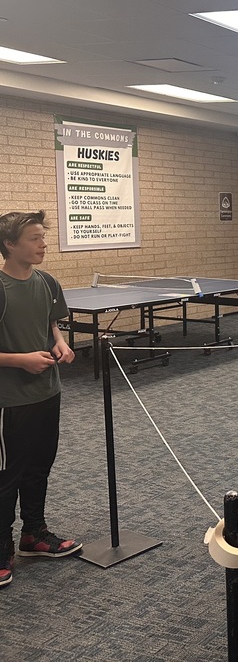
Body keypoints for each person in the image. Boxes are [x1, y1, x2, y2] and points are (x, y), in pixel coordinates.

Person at [0, 210, 80, 590]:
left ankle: (34, 535)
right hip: (8, 401)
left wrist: (60, 343)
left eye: (43, 237)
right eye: (34, 238)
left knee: (38, 467)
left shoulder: (48, 282)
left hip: (48, 394)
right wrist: (20, 360)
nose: (43, 244)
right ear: (9, 245)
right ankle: (1, 550)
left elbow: (51, 324)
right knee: (5, 477)